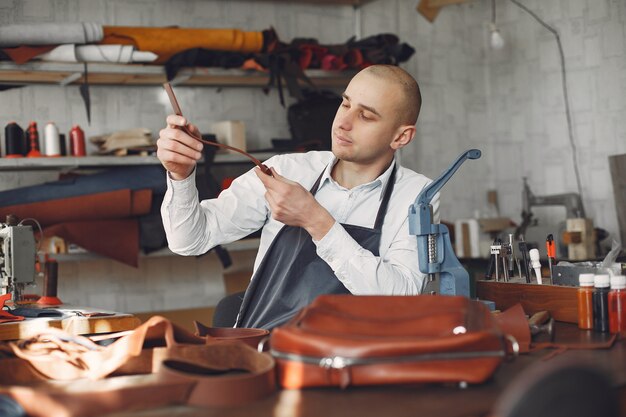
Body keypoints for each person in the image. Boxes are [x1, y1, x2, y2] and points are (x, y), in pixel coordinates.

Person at [157, 64, 439, 330]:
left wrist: (316, 220)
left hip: (350, 359)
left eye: (365, 116)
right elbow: (190, 241)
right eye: (345, 104)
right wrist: (181, 176)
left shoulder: (417, 196)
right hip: (262, 351)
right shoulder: (287, 170)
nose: (343, 123)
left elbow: (402, 299)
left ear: (401, 137)